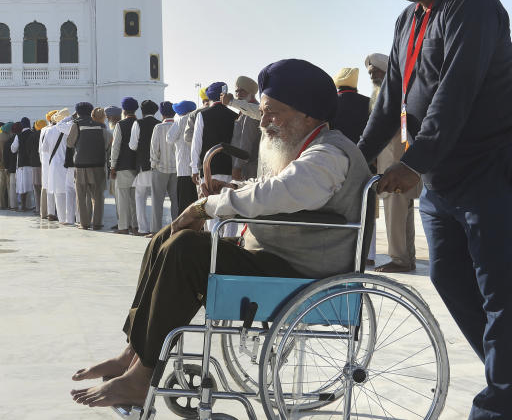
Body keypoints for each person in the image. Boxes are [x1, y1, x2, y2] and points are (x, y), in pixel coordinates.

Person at [70, 58, 372, 409]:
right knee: (167, 237)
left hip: (305, 271)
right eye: (264, 112)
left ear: (307, 115)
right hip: (278, 256)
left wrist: (208, 207)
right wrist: (229, 188)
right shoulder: (307, 145)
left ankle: (143, 376)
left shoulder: (328, 153)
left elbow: (282, 192)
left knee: (186, 249)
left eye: (273, 113)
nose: (266, 122)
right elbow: (278, 190)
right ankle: (133, 355)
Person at [358, 0, 512, 419]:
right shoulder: (407, 20)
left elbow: (455, 91)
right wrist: (355, 159)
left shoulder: (473, 3)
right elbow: (389, 99)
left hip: (494, 162)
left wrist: (413, 162)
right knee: (447, 274)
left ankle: (497, 400)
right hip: (441, 174)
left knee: (501, 286)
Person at [364, 52, 419, 273]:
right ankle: (406, 258)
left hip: (400, 164)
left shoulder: (401, 96)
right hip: (390, 163)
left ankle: (400, 260)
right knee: (400, 214)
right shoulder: (379, 96)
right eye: (370, 72)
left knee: (397, 213)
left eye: (377, 71)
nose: (373, 75)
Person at [191, 82, 237, 236]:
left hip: (209, 169)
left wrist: (193, 168)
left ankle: (214, 245)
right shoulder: (234, 115)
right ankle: (230, 242)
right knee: (229, 209)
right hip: (229, 168)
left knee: (211, 209)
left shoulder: (202, 115)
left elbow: (196, 144)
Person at [68, 102, 112, 229]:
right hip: (98, 164)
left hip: (81, 166)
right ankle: (97, 223)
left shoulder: (76, 125)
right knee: (98, 195)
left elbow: (70, 143)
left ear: (78, 112)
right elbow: (108, 143)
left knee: (81, 196)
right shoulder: (101, 126)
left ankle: (84, 223)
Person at [130, 100, 161, 235]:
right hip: (158, 167)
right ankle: (156, 228)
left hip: (143, 165)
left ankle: (143, 228)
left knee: (140, 197)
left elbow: (132, 145)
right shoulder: (159, 124)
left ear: (141, 111)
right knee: (156, 198)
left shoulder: (138, 123)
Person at [110, 98, 140, 235]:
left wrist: (112, 166)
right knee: (135, 200)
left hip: (123, 166)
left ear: (124, 110)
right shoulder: (140, 123)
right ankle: (135, 226)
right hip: (138, 167)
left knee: (122, 199)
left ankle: (123, 227)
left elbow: (115, 147)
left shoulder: (120, 125)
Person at [149, 101, 178, 232]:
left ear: (162, 113)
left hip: (160, 168)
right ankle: (177, 229)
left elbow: (154, 149)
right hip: (177, 169)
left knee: (157, 202)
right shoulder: (179, 125)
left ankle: (156, 231)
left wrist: (153, 165)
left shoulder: (158, 127)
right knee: (176, 202)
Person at [167, 100, 198, 215]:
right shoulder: (198, 118)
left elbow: (169, 138)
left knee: (184, 204)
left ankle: (184, 229)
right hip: (197, 168)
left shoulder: (180, 120)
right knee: (196, 201)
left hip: (183, 168)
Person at [229, 76, 260, 181]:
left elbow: (246, 142)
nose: (238, 94)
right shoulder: (243, 111)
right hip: (244, 166)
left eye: (241, 91)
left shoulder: (251, 112)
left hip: (247, 168)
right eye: (236, 91)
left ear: (250, 92)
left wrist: (237, 167)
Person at [330, 67, 370, 144]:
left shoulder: (331, 102)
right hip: (363, 151)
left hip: (336, 150)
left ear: (338, 85)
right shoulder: (369, 102)